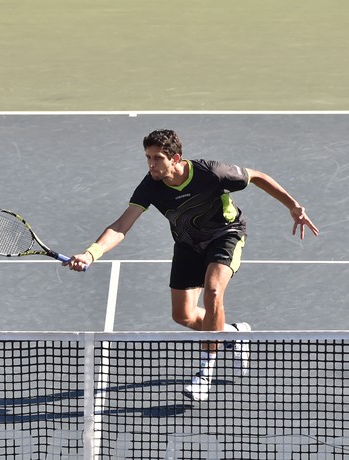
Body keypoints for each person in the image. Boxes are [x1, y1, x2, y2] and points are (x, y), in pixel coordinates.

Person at [64, 129, 319, 401]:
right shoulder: (150, 185)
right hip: (188, 245)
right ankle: (234, 334)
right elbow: (121, 225)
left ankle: (205, 372)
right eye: (148, 157)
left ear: (175, 158)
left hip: (226, 235)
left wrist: (293, 206)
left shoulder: (211, 172)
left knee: (213, 292)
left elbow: (257, 176)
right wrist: (92, 253)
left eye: (157, 158)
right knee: (183, 315)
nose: (151, 164)